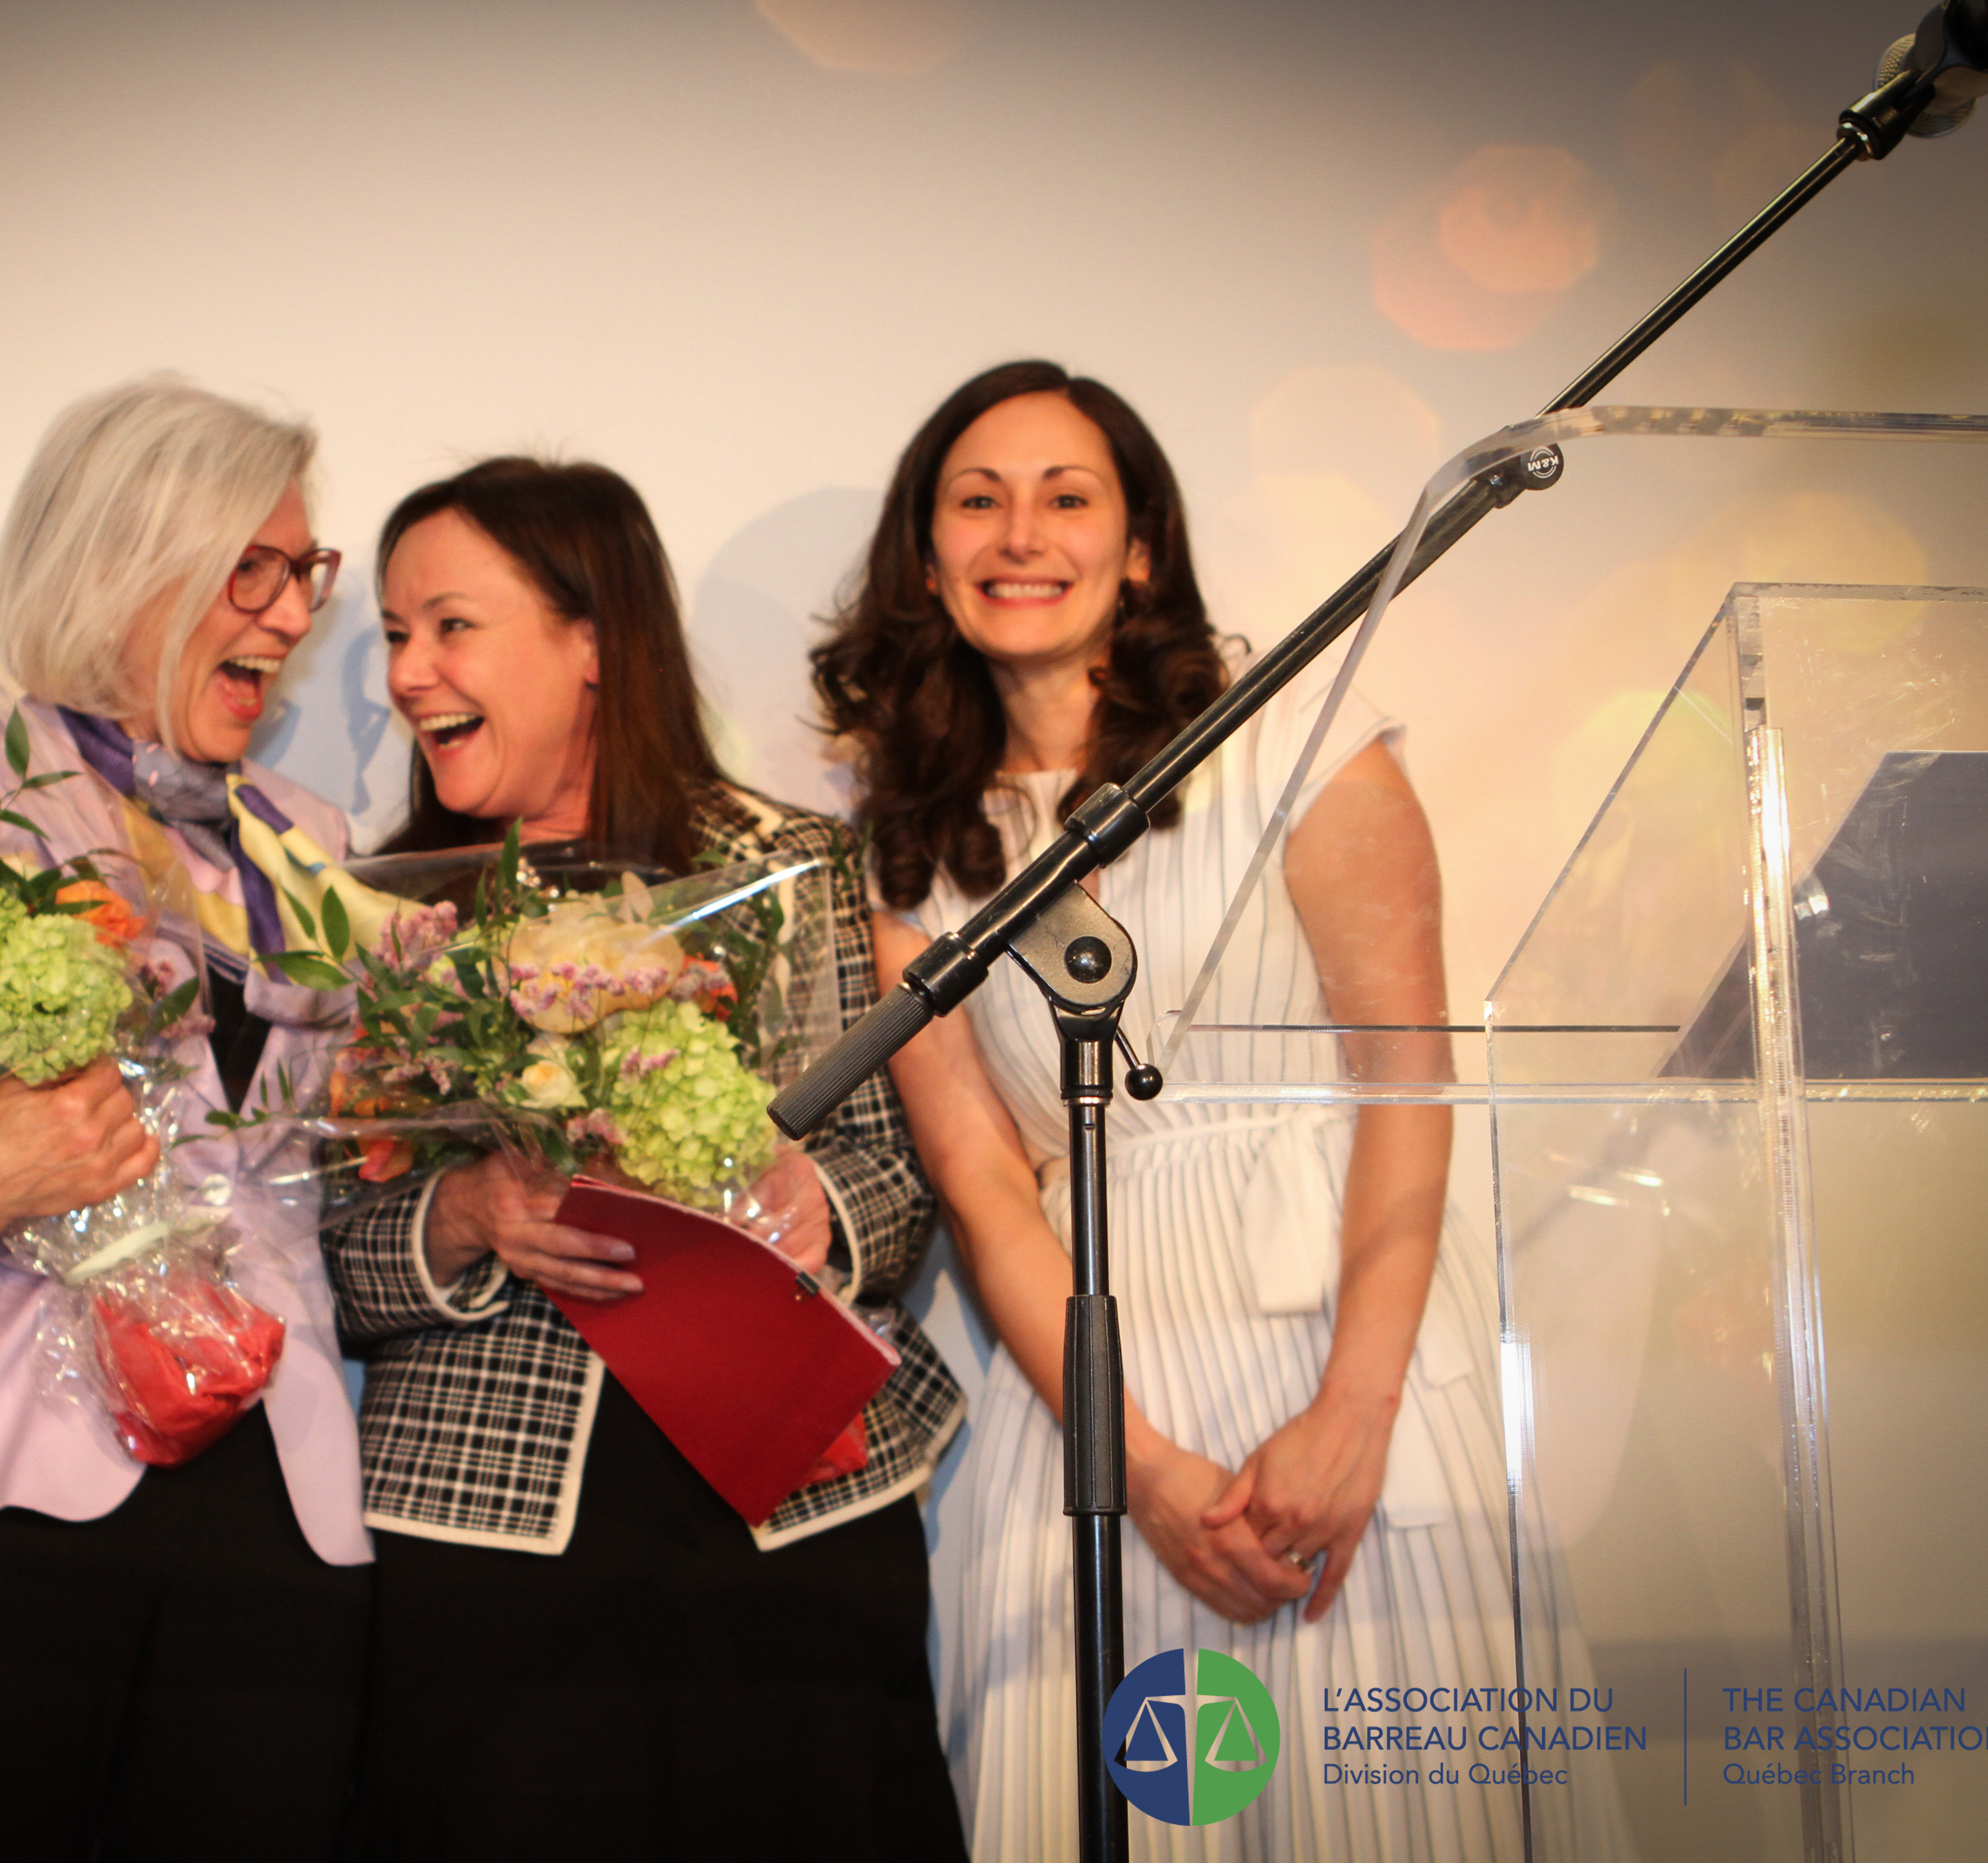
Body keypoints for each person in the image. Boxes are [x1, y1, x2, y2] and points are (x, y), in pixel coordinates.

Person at [816, 361, 1532, 1861]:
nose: (1022, 534)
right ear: (928, 555)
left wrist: (1354, 1413)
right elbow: (983, 1185)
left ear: (1140, 547)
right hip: (1086, 1400)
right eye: (978, 500)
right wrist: (1138, 1473)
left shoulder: (1297, 733)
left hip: (1340, 1351)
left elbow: (1410, 1081)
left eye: (1068, 497)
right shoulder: (910, 847)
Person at [323, 457, 969, 1861]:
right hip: (484, 1539)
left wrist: (813, 1203)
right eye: (391, 632)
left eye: (448, 625)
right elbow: (319, 1242)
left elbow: (908, 1186)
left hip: (789, 1517)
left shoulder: (794, 871)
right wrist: (466, 1215)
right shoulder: (382, 919)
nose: (407, 675)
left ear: (595, 642)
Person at [0, 376, 372, 1862]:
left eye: (306, 572)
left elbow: (316, 1172)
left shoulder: (318, 844)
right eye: (257, 568)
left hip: (279, 1511)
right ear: (123, 563)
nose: (296, 614)